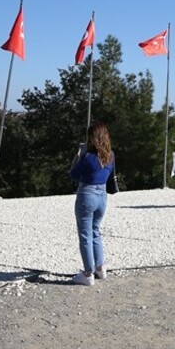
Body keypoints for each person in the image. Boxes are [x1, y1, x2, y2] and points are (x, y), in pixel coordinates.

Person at [69, 121, 116, 286]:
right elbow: (109, 176)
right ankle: (100, 267)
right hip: (102, 196)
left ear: (92, 138)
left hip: (87, 194)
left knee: (85, 235)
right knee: (95, 231)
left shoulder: (88, 157)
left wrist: (78, 157)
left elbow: (73, 175)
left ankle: (88, 273)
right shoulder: (111, 156)